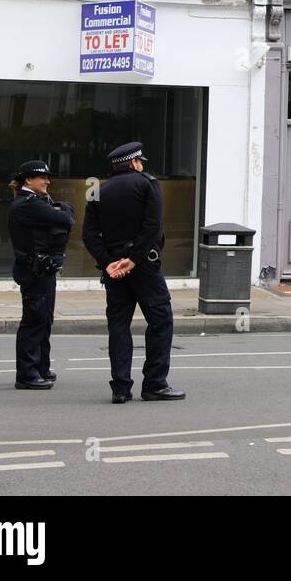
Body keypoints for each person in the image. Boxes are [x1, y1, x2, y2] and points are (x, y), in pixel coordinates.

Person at [82, 142, 185, 404]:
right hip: (143, 267)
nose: (142, 166)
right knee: (160, 321)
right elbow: (153, 226)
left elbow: (89, 235)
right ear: (134, 163)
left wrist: (108, 262)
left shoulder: (97, 191)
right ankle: (154, 384)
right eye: (141, 162)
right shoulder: (146, 183)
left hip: (114, 270)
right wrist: (134, 259)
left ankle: (120, 387)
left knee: (118, 325)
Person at [7, 160, 75, 390]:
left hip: (43, 269)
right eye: (42, 177)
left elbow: (66, 211)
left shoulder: (37, 202)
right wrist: (60, 209)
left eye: (48, 177)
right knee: (34, 320)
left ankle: (41, 367)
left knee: (44, 319)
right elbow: (67, 218)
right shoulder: (26, 204)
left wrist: (60, 208)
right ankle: (27, 374)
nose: (48, 181)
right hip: (34, 270)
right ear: (28, 180)